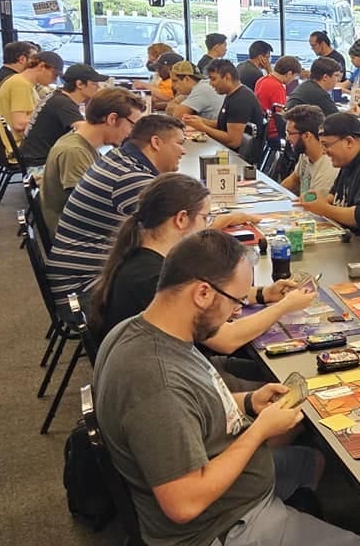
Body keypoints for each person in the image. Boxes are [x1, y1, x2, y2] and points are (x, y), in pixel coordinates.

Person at [92, 228, 360, 546]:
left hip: (231, 488)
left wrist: (248, 401)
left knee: (311, 461)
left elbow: (191, 404)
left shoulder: (140, 329)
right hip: (210, 535)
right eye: (236, 301)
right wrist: (259, 430)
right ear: (203, 293)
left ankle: (291, 532)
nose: (235, 313)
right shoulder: (156, 383)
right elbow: (184, 504)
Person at [86, 173, 318, 356]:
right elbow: (228, 339)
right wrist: (284, 306)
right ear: (181, 219)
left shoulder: (147, 256)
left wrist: (263, 293)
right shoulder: (152, 278)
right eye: (205, 218)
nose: (208, 226)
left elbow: (208, 295)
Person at [46, 114, 241, 300]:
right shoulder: (132, 180)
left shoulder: (119, 158)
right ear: (156, 143)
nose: (184, 151)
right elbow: (179, 237)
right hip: (86, 289)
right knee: (204, 296)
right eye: (180, 143)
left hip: (84, 277)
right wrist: (224, 221)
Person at [40, 88, 146, 231]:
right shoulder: (75, 152)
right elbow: (86, 208)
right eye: (132, 125)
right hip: (75, 233)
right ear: (112, 119)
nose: (131, 133)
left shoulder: (82, 141)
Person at [19, 63, 110, 167]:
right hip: (40, 164)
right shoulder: (63, 104)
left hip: (35, 157)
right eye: (94, 83)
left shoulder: (58, 96)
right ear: (80, 84)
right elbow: (88, 134)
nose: (98, 87)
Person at [182, 59, 267, 155]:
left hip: (239, 158)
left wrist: (203, 128)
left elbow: (233, 141)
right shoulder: (232, 94)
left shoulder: (240, 100)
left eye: (213, 79)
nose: (210, 84)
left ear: (227, 77)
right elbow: (223, 124)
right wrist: (201, 121)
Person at [0, 50, 61, 157]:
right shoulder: (21, 85)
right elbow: (20, 124)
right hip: (23, 149)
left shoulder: (24, 83)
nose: (55, 80)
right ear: (41, 66)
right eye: (55, 75)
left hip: (26, 145)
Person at [280, 105, 337, 198]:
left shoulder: (327, 167)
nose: (287, 138)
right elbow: (294, 179)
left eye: (290, 133)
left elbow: (312, 203)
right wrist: (275, 195)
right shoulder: (305, 153)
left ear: (307, 135)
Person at [254, 55, 302, 139]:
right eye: (294, 77)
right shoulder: (278, 87)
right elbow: (281, 116)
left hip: (261, 127)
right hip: (273, 133)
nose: (292, 80)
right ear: (289, 74)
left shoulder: (261, 80)